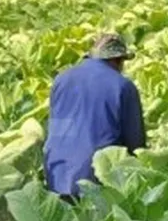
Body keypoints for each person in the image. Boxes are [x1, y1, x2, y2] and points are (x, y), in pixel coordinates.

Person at [43, 33, 146, 199]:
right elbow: (135, 141)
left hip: (57, 171)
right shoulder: (123, 86)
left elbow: (57, 128)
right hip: (96, 175)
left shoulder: (62, 79)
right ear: (118, 60)